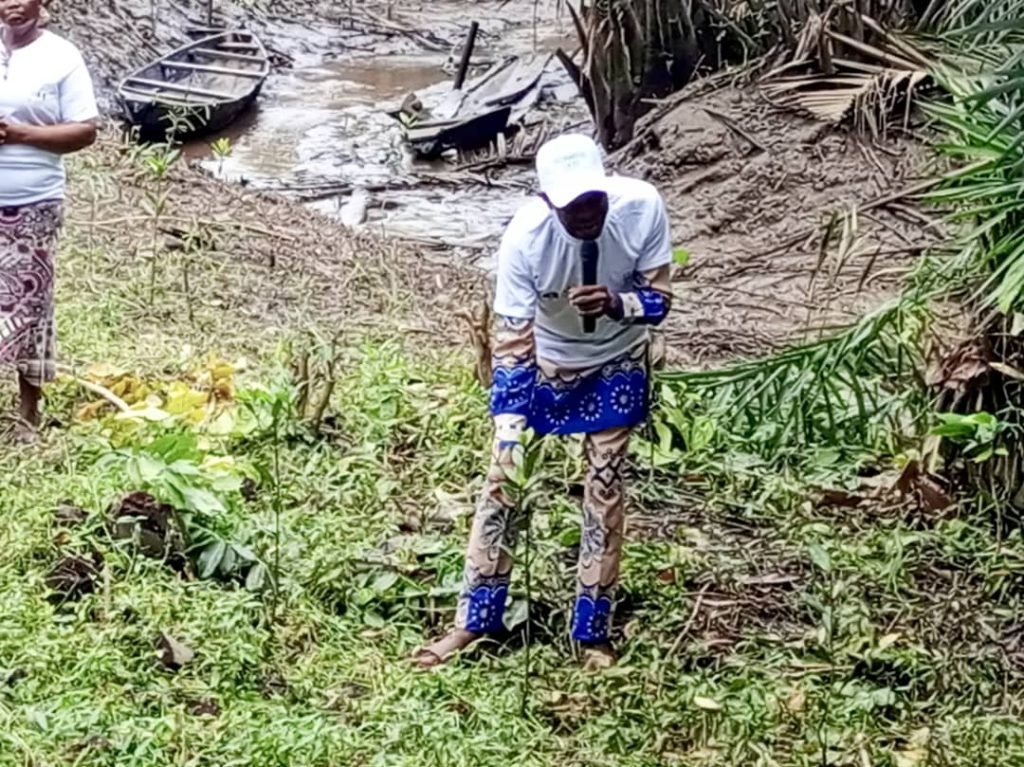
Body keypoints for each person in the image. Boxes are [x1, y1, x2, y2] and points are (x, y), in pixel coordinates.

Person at [414, 133, 674, 669]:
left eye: (594, 202)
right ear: (548, 201)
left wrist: (617, 302)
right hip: (545, 359)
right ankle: (475, 621)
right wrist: (509, 424)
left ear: (607, 189)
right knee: (503, 484)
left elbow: (659, 302)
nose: (586, 215)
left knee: (604, 488)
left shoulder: (642, 207)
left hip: (616, 360)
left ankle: (592, 630)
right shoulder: (525, 240)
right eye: (572, 206)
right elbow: (511, 341)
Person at [0, 0, 98, 441]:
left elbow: (84, 130)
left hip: (33, 201)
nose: (12, 3)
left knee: (31, 305)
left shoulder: (61, 56)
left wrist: (20, 134)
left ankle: (27, 414)